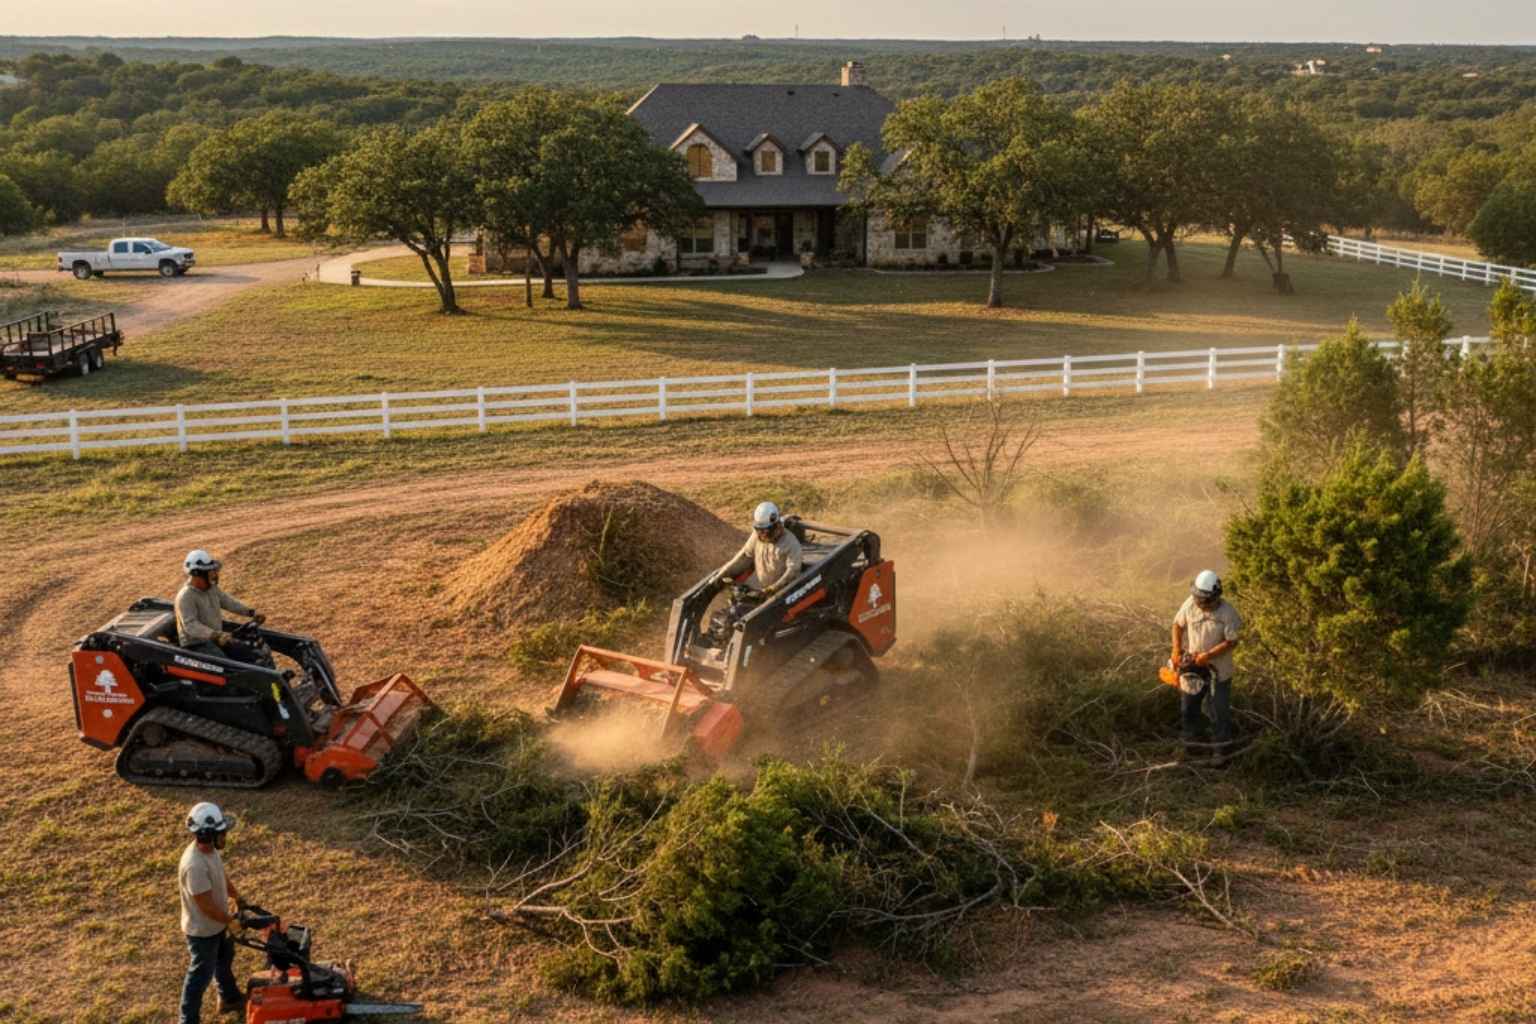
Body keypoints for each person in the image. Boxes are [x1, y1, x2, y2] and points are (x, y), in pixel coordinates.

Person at [179, 801, 246, 1022]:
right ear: (207, 835)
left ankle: (229, 998)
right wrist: (230, 920)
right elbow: (205, 905)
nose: (225, 835)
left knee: (224, 960)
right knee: (200, 976)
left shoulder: (210, 852)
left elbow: (221, 876)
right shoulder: (194, 865)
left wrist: (237, 896)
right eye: (221, 832)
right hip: (203, 931)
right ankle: (187, 1019)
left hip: (219, 923)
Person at [1171, 570, 1242, 758]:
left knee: (1218, 711)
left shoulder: (1228, 614)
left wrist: (1208, 655)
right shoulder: (1190, 603)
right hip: (1193, 667)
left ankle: (1221, 751)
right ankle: (1192, 747)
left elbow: (1232, 641)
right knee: (1189, 708)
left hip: (1219, 670)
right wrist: (1176, 649)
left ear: (1216, 596)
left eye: (1205, 600)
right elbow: (1177, 625)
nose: (1200, 603)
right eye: (1198, 598)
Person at [175, 549, 265, 660]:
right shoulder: (185, 597)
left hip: (215, 638)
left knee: (247, 654)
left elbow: (227, 601)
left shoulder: (211, 588)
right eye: (209, 572)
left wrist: (250, 612)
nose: (214, 574)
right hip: (196, 645)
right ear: (197, 575)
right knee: (227, 666)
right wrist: (215, 635)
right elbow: (190, 626)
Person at [712, 501, 803, 599]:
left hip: (782, 594)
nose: (762, 534)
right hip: (760, 589)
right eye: (759, 529)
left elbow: (793, 571)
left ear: (776, 524)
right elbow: (744, 556)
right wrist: (722, 574)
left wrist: (772, 589)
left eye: (765, 530)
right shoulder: (757, 536)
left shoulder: (791, 544)